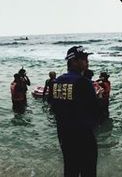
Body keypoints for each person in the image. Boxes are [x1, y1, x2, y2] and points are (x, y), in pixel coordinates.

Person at [48, 46, 99, 175]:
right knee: (88, 170)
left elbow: (54, 106)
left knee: (70, 168)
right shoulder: (84, 82)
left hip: (64, 133)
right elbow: (95, 110)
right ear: (74, 62)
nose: (87, 62)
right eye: (84, 59)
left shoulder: (56, 82)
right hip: (83, 134)